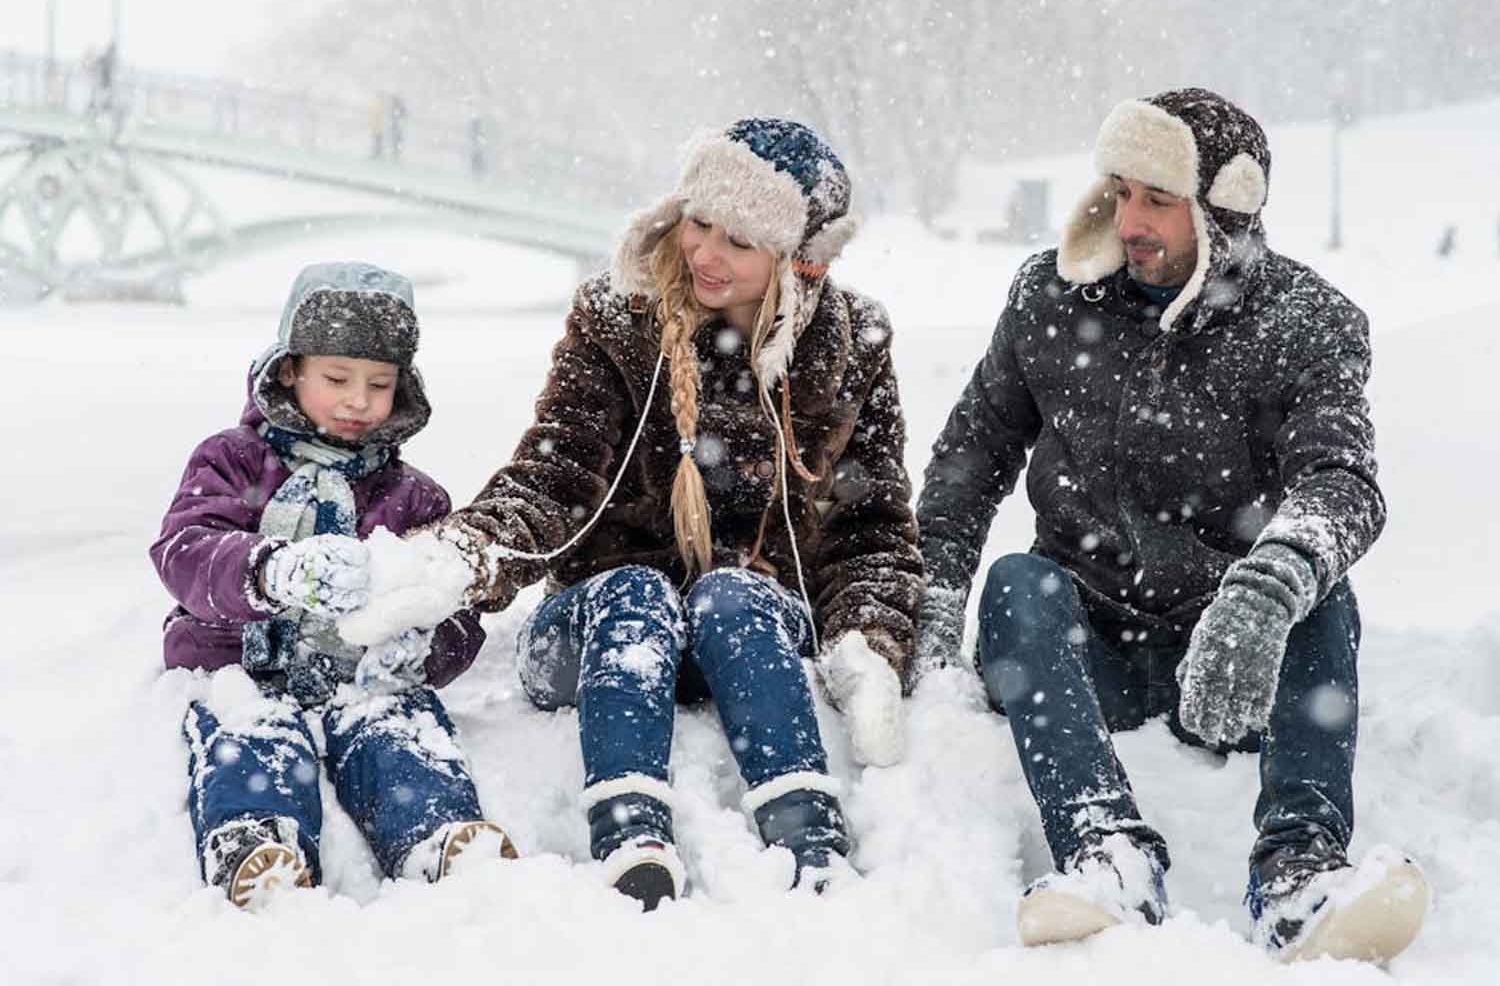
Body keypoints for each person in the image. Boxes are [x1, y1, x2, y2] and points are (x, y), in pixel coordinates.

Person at [352, 118, 924, 910]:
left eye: (739, 241)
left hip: (747, 637)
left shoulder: (853, 342)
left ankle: (809, 837)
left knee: (734, 595)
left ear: (798, 262)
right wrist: (465, 555)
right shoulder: (617, 317)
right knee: (636, 592)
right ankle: (631, 833)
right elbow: (554, 474)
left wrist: (870, 641)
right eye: (700, 222)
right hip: (597, 633)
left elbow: (873, 524)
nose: (705, 254)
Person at [913, 89, 1427, 962]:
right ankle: (1106, 853)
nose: (1130, 221)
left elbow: (1342, 481)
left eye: (1158, 199)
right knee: (1015, 584)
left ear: (1224, 210)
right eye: (1120, 192)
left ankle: (1300, 873)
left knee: (1321, 593)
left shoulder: (1306, 322)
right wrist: (930, 600)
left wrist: (1265, 592)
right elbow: (970, 459)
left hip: (1233, 663)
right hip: (1085, 654)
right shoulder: (1050, 298)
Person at [150, 262, 517, 909]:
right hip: (240, 665)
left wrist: (424, 648)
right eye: (337, 379)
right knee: (251, 732)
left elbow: (453, 607)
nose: (357, 401)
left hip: (360, 677)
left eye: (379, 384)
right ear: (289, 370)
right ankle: (257, 839)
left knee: (398, 730)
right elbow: (185, 549)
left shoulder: (415, 498)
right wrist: (270, 570)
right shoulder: (232, 460)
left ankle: (435, 834)